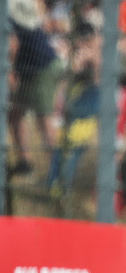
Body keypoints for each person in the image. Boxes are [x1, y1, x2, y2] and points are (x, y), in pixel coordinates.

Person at [6, 0, 61, 179]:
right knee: (15, 114)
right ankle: (25, 163)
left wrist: (11, 72)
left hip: (42, 67)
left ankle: (58, 174)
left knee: (44, 120)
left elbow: (13, 43)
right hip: (32, 68)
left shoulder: (8, 9)